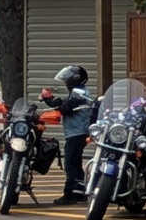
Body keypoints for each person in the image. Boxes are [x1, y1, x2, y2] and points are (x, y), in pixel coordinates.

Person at [41, 65, 93, 205]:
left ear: (74, 80)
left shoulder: (78, 92)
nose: (65, 83)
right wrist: (50, 99)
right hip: (78, 131)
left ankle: (69, 194)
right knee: (75, 163)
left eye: (67, 80)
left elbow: (66, 108)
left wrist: (53, 100)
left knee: (69, 164)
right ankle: (81, 192)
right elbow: (65, 105)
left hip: (77, 132)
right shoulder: (80, 92)